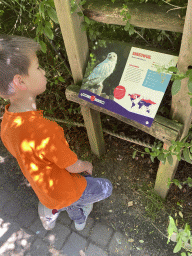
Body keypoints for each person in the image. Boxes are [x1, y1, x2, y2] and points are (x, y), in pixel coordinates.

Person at [0, 35, 113, 231]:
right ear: (20, 81)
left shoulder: (7, 124)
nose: (43, 71)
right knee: (105, 188)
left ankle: (53, 211)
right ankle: (78, 217)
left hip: (44, 190)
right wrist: (87, 165)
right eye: (37, 67)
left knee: (61, 202)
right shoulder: (45, 131)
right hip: (67, 190)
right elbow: (73, 166)